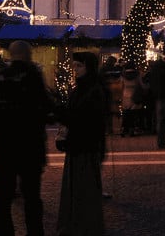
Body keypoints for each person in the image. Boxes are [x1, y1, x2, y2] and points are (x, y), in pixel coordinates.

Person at [0, 41, 56, 236]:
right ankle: (34, 232)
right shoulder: (33, 76)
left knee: (4, 196)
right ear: (27, 54)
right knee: (32, 196)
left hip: (5, 146)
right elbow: (46, 107)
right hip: (30, 145)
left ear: (11, 54)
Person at [54, 51, 107, 236]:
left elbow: (86, 119)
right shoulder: (79, 88)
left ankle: (84, 225)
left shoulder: (93, 89)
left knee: (84, 188)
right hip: (77, 144)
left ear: (89, 67)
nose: (75, 70)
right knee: (75, 187)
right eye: (74, 66)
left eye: (79, 66)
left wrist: (62, 114)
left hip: (86, 145)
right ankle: (75, 222)